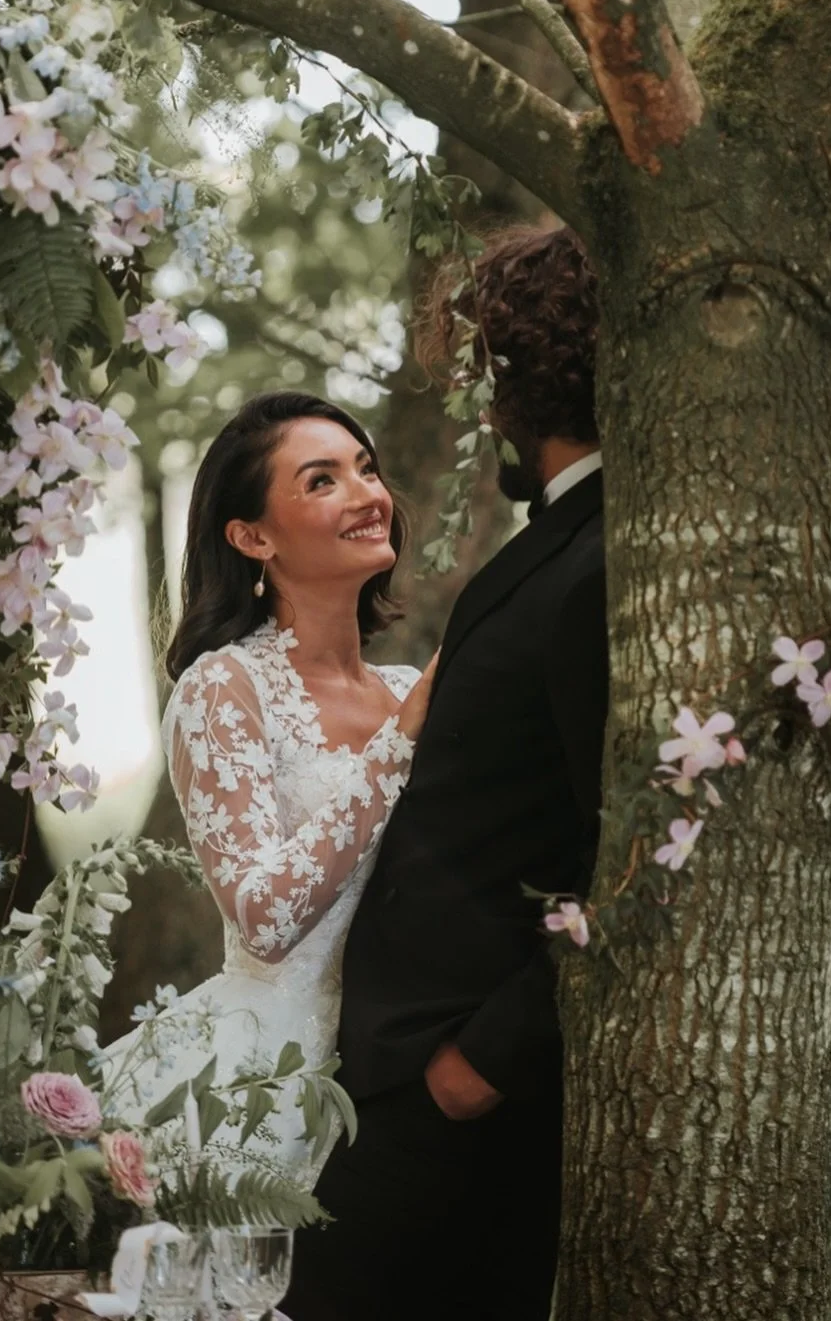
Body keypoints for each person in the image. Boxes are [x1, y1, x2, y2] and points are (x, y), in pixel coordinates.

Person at [284, 224, 607, 1320]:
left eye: (480, 377)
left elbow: (624, 845)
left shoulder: (593, 565)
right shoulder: (555, 547)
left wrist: (487, 1056)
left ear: (517, 380)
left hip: (461, 1085)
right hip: (396, 1070)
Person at [99, 391, 434, 1186]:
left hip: (405, 1067)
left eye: (365, 469)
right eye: (322, 480)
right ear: (253, 537)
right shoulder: (224, 687)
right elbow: (263, 917)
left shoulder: (403, 688)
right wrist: (400, 740)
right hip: (262, 1083)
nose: (366, 494)